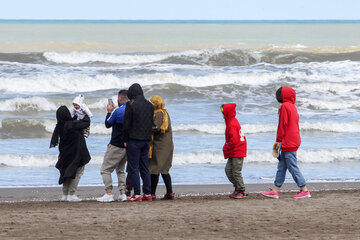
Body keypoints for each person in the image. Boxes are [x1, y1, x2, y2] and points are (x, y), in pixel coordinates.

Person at [261, 86, 311, 199]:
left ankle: (304, 189)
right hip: (293, 139)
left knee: (292, 166)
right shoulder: (292, 107)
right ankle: (275, 190)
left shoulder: (284, 106)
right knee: (282, 166)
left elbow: (282, 125)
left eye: (279, 95)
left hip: (288, 141)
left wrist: (278, 140)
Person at [50, 105, 91, 202]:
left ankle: (65, 194)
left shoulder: (59, 126)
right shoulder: (73, 125)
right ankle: (71, 194)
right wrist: (85, 114)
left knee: (66, 173)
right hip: (77, 152)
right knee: (77, 173)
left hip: (65, 153)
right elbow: (86, 123)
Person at [96, 90, 129, 202]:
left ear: (120, 99)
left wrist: (110, 111)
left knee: (105, 169)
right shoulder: (132, 110)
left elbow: (107, 124)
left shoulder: (118, 111)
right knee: (120, 170)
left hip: (116, 144)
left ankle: (109, 193)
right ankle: (123, 193)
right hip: (128, 145)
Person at [123, 83, 154, 202]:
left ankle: (137, 194)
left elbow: (127, 125)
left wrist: (125, 140)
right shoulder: (150, 105)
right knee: (144, 167)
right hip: (146, 140)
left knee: (133, 167)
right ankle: (147, 193)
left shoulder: (130, 105)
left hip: (134, 140)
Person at [148, 95, 174, 200]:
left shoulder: (158, 113)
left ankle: (152, 193)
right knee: (164, 169)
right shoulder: (165, 112)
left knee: (154, 168)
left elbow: (156, 128)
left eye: (152, 103)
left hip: (160, 146)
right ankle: (170, 192)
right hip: (167, 145)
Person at [221, 103, 248, 199]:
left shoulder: (232, 123)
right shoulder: (230, 122)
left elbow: (234, 141)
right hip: (234, 151)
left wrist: (226, 147)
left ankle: (241, 190)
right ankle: (237, 187)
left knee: (236, 171)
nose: (222, 114)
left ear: (227, 112)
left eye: (223, 111)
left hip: (238, 151)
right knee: (228, 170)